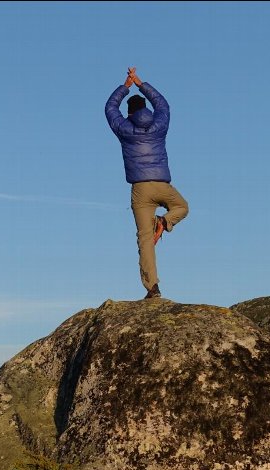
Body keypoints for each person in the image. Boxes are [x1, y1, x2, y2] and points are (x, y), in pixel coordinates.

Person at [105, 67, 189, 299]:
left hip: (140, 190)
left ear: (129, 113)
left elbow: (110, 108)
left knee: (145, 239)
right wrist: (141, 83)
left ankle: (152, 288)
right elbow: (163, 104)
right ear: (146, 109)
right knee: (183, 208)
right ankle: (165, 220)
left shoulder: (124, 128)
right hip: (162, 184)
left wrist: (125, 85)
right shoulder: (159, 125)